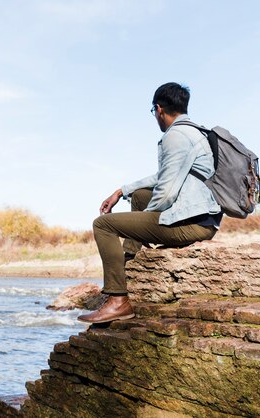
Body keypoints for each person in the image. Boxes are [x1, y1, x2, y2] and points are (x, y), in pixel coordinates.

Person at [78, 82, 222, 324]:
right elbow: (163, 176)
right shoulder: (194, 131)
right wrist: (121, 191)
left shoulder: (175, 136)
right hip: (203, 216)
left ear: (159, 109)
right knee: (140, 196)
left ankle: (118, 301)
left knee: (103, 224)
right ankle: (131, 259)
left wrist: (144, 220)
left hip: (193, 223)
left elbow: (165, 192)